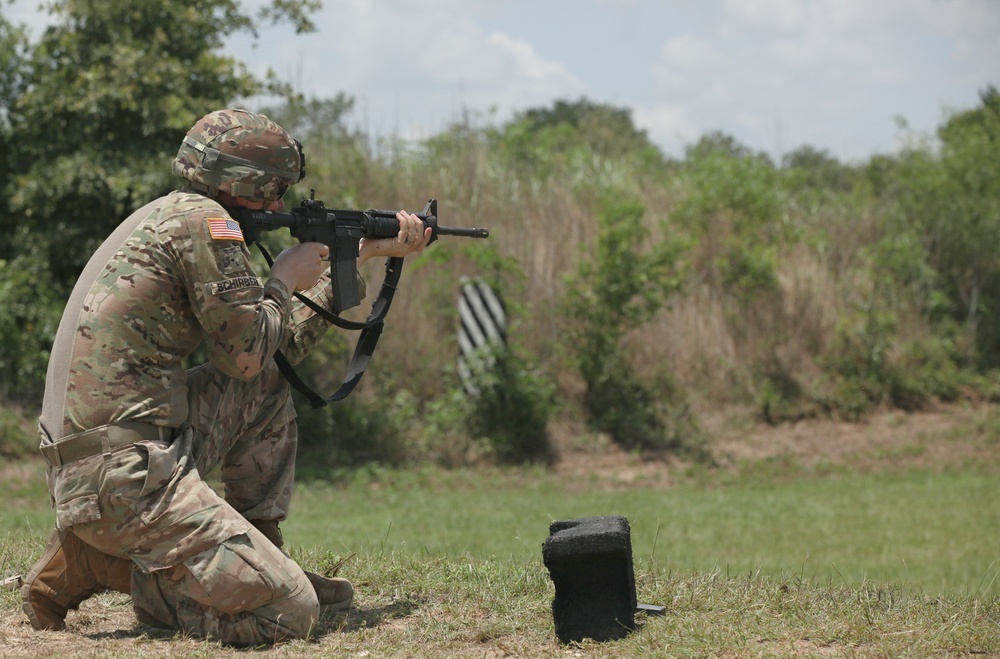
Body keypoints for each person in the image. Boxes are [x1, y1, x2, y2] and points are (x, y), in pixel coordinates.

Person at [20, 108, 432, 645]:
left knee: (263, 386)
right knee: (291, 611)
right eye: (275, 190)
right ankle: (102, 565)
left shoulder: (170, 215)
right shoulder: (206, 226)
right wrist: (283, 279)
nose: (281, 205)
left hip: (105, 460)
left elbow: (265, 358)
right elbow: (246, 353)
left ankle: (256, 551)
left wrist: (365, 252)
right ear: (244, 184)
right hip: (119, 478)